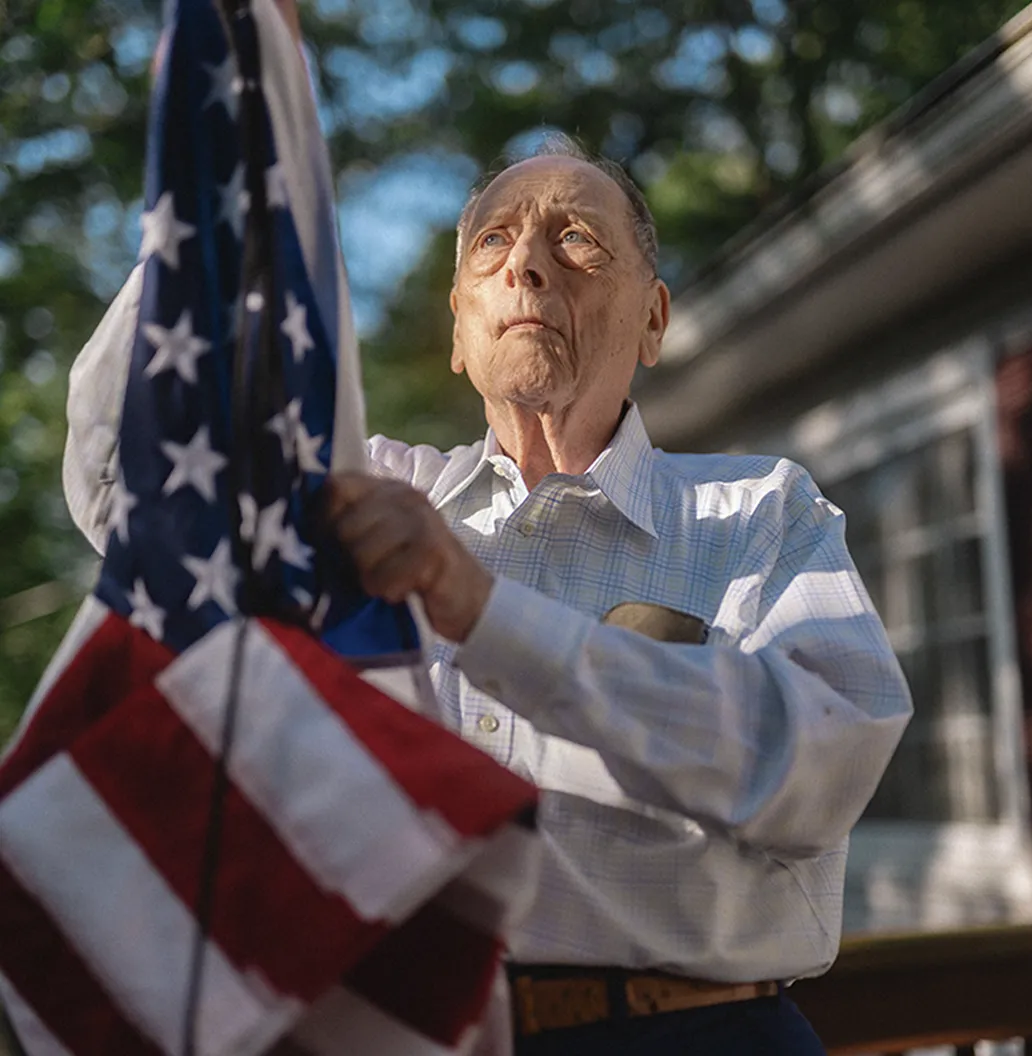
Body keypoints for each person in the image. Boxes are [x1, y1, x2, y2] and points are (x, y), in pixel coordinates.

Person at [63, 140, 912, 1055]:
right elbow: (132, 489)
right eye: (493, 245)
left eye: (577, 239)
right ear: (462, 331)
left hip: (695, 1035)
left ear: (654, 321)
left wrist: (485, 613)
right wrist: (215, 195)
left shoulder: (757, 513)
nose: (528, 264)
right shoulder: (362, 496)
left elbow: (823, 764)